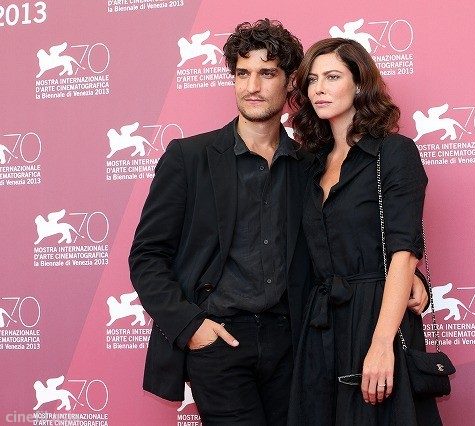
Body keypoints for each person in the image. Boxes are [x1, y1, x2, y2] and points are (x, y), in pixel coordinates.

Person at [129, 19, 429, 425]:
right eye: (243, 73)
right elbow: (147, 256)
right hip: (219, 340)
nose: (252, 86)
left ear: (290, 84)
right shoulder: (189, 158)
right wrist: (192, 327)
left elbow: (341, 236)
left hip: (297, 345)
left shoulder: (309, 165)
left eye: (267, 73)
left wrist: (409, 276)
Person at [288, 38, 442, 425]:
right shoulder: (309, 164)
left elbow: (403, 251)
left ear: (359, 84)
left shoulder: (394, 152)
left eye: (332, 77)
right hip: (321, 323)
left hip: (377, 316)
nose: (319, 89)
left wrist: (382, 343)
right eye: (312, 80)